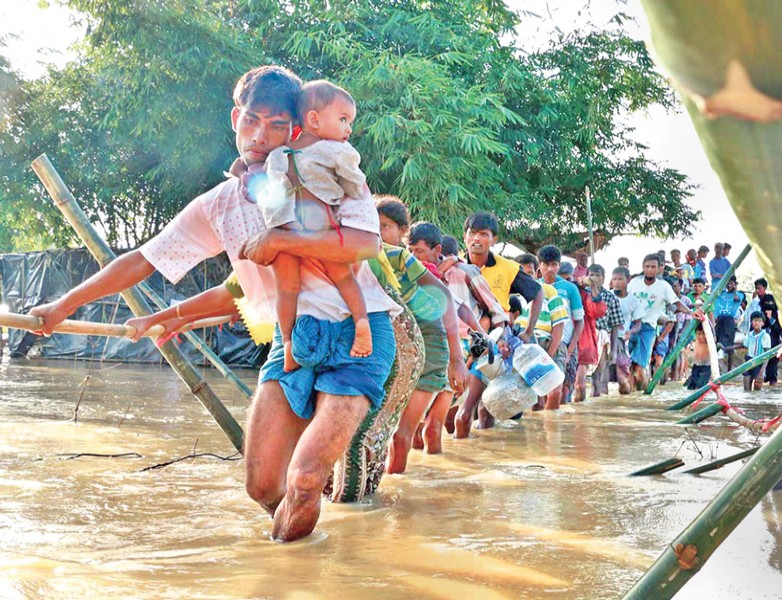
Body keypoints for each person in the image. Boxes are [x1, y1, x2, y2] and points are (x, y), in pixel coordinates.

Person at [29, 66, 399, 542]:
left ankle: (298, 554)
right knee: (264, 485)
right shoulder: (219, 204)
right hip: (291, 340)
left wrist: (280, 241)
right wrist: (64, 304)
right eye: (251, 121)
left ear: (301, 126)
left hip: (359, 331)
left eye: (278, 126)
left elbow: (366, 244)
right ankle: (308, 555)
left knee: (305, 477)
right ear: (234, 118)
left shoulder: (331, 169)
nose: (261, 137)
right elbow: (144, 260)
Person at [262, 80, 372, 372]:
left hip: (287, 227)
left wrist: (279, 228)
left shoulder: (278, 155)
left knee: (287, 289)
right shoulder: (335, 151)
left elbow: (271, 192)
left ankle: (288, 344)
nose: (348, 129)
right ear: (313, 119)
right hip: (321, 225)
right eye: (344, 119)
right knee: (343, 276)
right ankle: (362, 322)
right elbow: (354, 183)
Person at [375, 198, 467, 474]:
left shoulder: (399, 258)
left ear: (402, 231)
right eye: (373, 225)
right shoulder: (363, 259)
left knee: (401, 435)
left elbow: (445, 297)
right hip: (394, 344)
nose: (378, 232)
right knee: (388, 433)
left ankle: (398, 506)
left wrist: (456, 358)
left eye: (385, 226)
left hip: (430, 345)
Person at [406, 220, 507, 451]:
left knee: (441, 422)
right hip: (420, 350)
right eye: (410, 251)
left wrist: (489, 338)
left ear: (437, 250)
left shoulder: (464, 272)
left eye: (419, 251)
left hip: (459, 351)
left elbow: (491, 309)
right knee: (416, 426)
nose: (413, 257)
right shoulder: (407, 272)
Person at [453, 212, 543, 437]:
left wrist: (528, 331)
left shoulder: (507, 267)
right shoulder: (455, 265)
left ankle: (477, 454)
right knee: (452, 409)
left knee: (478, 409)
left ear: (493, 239)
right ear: (464, 236)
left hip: (494, 343)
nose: (477, 238)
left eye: (484, 234)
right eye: (472, 233)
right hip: (458, 341)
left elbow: (537, 292)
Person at [627, 254, 693, 390]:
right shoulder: (634, 283)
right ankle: (631, 397)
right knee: (628, 366)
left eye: (653, 267)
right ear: (643, 268)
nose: (650, 270)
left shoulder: (663, 287)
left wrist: (691, 313)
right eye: (647, 267)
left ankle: (643, 395)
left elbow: (677, 304)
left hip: (648, 328)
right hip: (630, 325)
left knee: (640, 366)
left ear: (658, 269)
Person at [515, 253, 569, 410]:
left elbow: (559, 327)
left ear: (536, 272)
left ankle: (552, 429)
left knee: (555, 390)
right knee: (533, 398)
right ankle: (539, 430)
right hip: (524, 347)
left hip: (549, 344)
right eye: (522, 273)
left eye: (530, 273)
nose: (526, 278)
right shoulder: (512, 294)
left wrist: (550, 356)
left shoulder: (548, 291)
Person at [538, 245, 584, 405]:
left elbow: (579, 321)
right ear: (540, 265)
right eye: (545, 264)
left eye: (554, 265)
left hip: (564, 345)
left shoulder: (570, 288)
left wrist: (571, 348)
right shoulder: (535, 287)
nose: (550, 269)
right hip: (538, 344)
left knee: (561, 392)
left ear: (558, 265)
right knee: (538, 392)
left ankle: (556, 425)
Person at [588, 264, 625, 395]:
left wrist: (614, 351)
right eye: (591, 275)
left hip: (602, 337)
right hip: (586, 335)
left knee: (600, 376)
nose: (594, 278)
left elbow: (615, 325)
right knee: (580, 375)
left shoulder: (610, 298)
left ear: (603, 279)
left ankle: (598, 405)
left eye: (597, 275)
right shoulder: (583, 294)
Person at [573, 265, 608, 402]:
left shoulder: (586, 295)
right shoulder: (557, 289)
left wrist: (593, 289)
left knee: (580, 385)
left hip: (584, 342)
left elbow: (596, 312)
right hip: (560, 340)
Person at [610, 266, 639, 394]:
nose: (617, 282)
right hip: (606, 339)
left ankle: (626, 401)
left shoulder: (633, 300)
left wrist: (630, 332)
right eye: (614, 279)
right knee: (602, 378)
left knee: (622, 377)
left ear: (628, 280)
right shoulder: (607, 296)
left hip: (621, 340)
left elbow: (638, 323)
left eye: (620, 279)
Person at [712, 276, 744, 367]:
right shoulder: (722, 294)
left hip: (729, 320)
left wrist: (735, 289)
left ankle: (729, 369)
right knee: (717, 341)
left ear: (735, 284)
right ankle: (717, 366)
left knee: (729, 344)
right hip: (720, 319)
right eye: (727, 283)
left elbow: (736, 299)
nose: (729, 285)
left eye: (731, 283)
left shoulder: (739, 294)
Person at [742, 311, 772, 391]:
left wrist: (762, 371)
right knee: (746, 389)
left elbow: (767, 354)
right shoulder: (749, 334)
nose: (757, 323)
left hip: (759, 362)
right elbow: (745, 346)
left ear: (762, 323)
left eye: (759, 321)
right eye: (755, 321)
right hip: (749, 360)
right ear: (751, 322)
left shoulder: (765, 336)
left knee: (757, 389)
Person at [684, 326, 711, 390]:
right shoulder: (696, 341)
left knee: (700, 388)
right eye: (699, 334)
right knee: (689, 388)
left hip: (706, 368)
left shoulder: (710, 341)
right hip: (696, 367)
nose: (701, 336)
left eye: (703, 334)